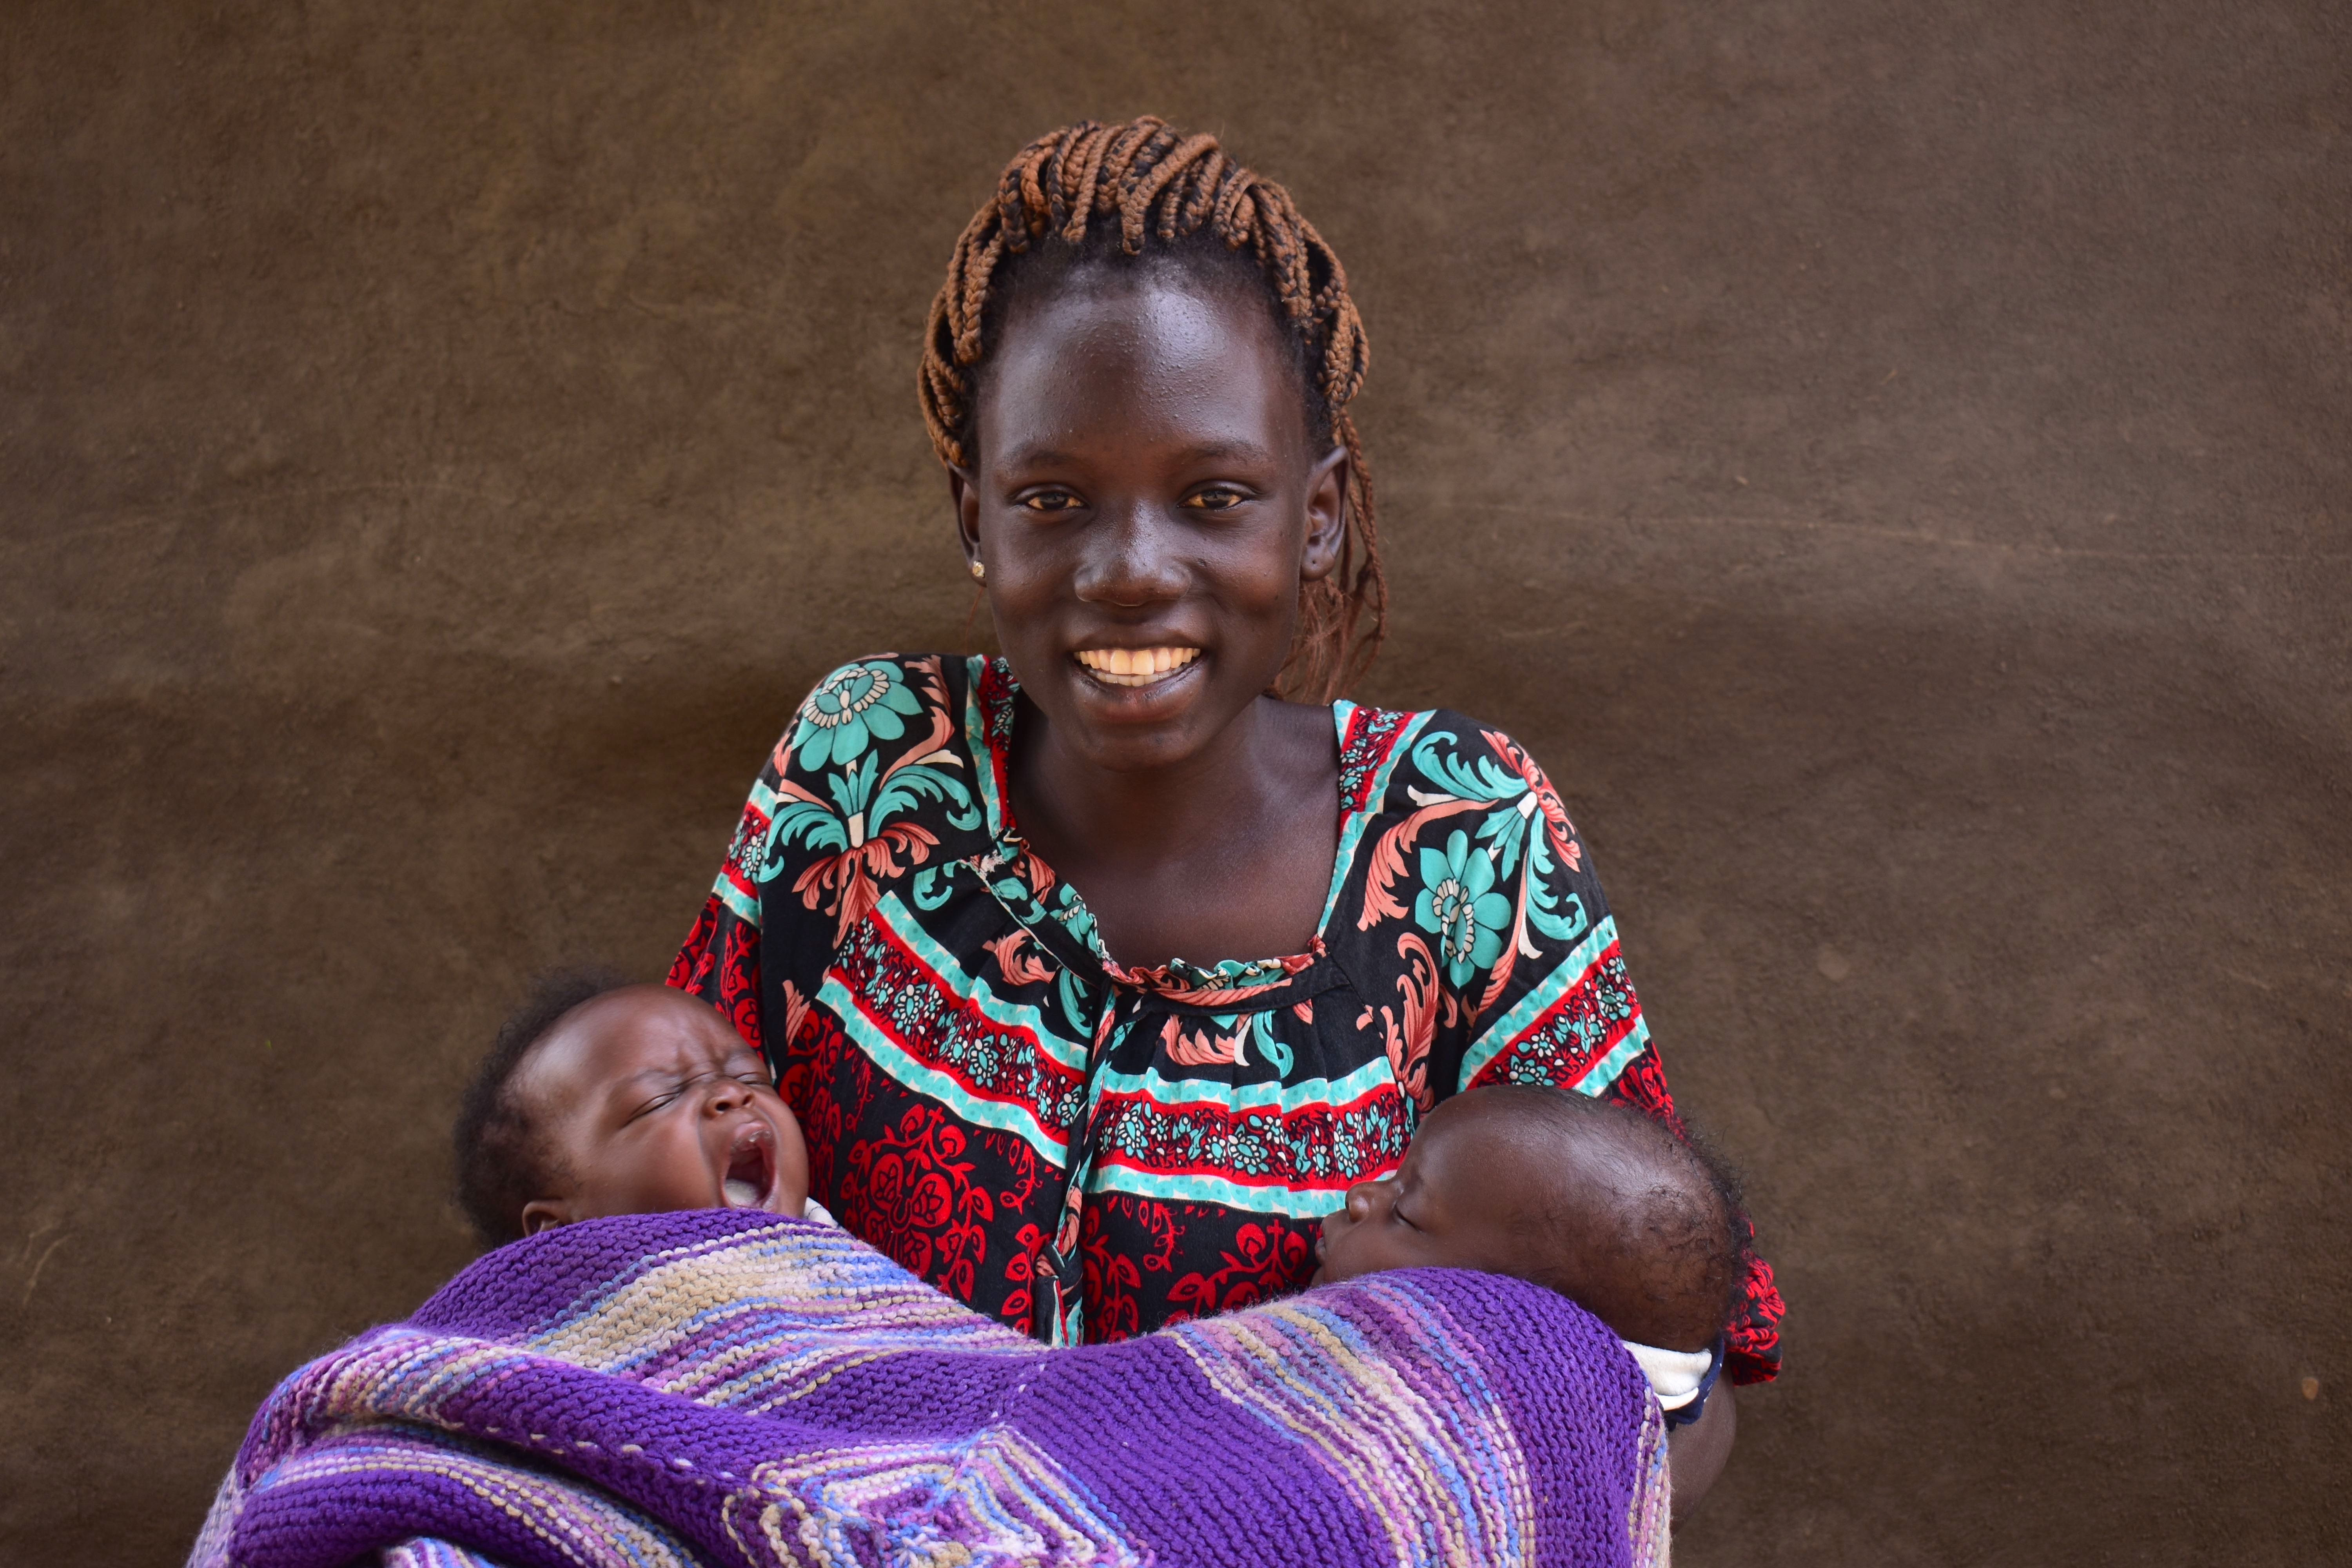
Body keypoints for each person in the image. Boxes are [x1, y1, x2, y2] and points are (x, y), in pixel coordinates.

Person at [667, 116, 1780, 1458]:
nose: (1131, 570)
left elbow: (1673, 1381)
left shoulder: (1466, 839)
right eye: (1054, 500)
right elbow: (636, 1187)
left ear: (1313, 518)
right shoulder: (866, 768)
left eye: (1213, 497)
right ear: (975, 517)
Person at [441, 973, 1740, 1510]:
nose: (732, 1094)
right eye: (665, 1100)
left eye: (737, 1068)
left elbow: (989, 1405)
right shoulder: (570, 1307)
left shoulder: (823, 1252)